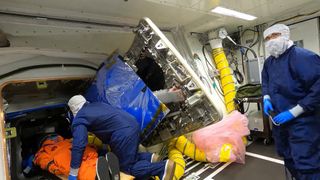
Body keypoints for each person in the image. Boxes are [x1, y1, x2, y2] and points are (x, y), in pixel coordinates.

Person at [67, 95, 176, 180]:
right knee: (126, 155)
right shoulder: (98, 104)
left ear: (74, 110)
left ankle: (162, 168)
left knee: (125, 168)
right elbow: (106, 124)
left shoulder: (80, 118)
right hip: (132, 124)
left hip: (122, 134)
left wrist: (73, 173)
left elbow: (79, 144)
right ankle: (150, 158)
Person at [261, 24, 320, 179]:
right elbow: (266, 82)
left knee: (307, 163)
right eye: (266, 38)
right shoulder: (269, 63)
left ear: (285, 35)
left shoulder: (303, 57)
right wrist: (266, 97)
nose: (270, 41)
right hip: (280, 123)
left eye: (274, 35)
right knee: (288, 158)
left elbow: (318, 88)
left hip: (303, 123)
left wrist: (295, 111)